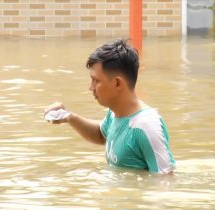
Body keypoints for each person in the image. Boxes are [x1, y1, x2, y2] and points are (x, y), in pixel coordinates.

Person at [44, 39, 175, 174]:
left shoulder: (146, 126)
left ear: (117, 83)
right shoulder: (114, 114)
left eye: (96, 81)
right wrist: (69, 117)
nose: (91, 87)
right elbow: (102, 135)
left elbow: (165, 181)